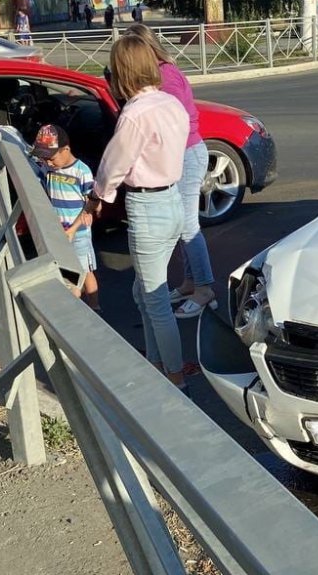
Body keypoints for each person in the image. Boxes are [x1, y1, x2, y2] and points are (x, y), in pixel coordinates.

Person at [87, 35, 189, 390]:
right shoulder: (170, 103)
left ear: (122, 72)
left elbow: (114, 164)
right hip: (172, 201)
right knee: (145, 293)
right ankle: (156, 363)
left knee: (155, 300)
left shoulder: (134, 114)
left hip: (147, 206)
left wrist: (98, 196)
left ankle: (175, 377)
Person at [126, 24, 215, 332]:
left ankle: (204, 288)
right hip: (186, 152)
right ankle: (191, 282)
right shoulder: (164, 72)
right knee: (181, 223)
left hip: (187, 154)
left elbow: (172, 117)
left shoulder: (164, 76)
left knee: (189, 225)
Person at [32, 124, 102, 310]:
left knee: (83, 273)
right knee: (70, 271)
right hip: (60, 230)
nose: (48, 163)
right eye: (44, 159)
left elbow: (93, 197)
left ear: (66, 149)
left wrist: (93, 209)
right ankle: (80, 307)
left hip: (77, 231)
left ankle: (92, 308)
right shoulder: (49, 169)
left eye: (52, 158)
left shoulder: (81, 171)